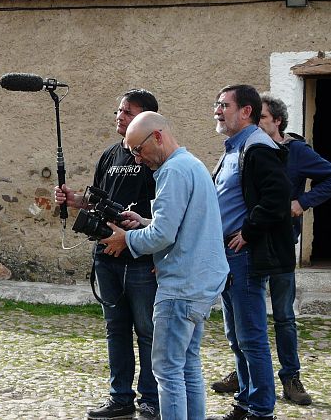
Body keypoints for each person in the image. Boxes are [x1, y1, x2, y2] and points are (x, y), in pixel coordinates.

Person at [210, 93, 331, 405]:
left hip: (272, 247)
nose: (258, 123)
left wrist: (301, 203)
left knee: (281, 316)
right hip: (241, 249)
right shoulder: (241, 148)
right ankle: (245, 384)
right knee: (241, 325)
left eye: (263, 118)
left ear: (275, 120)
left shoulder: (285, 151)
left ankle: (286, 381)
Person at [99, 112, 229, 420]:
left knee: (167, 371)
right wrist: (142, 222)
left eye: (138, 150)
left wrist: (126, 241)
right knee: (187, 366)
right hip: (201, 281)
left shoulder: (173, 171)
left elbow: (162, 235)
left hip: (181, 285)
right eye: (131, 152)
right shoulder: (193, 165)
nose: (137, 159)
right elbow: (181, 224)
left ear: (157, 136)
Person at [55, 89, 160, 420]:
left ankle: (152, 399)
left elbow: (165, 217)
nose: (120, 116)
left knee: (147, 331)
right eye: (118, 110)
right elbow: (98, 201)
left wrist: (156, 255)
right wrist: (75, 202)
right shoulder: (109, 156)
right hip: (106, 256)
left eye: (128, 112)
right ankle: (120, 398)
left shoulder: (156, 159)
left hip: (141, 260)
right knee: (116, 329)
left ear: (146, 118)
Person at [207, 85, 295, 420]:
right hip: (227, 254)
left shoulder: (257, 147)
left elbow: (277, 197)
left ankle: (261, 410)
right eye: (216, 104)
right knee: (236, 335)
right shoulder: (234, 147)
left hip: (243, 255)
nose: (217, 110)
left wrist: (248, 230)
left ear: (246, 111)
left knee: (251, 336)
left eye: (223, 105)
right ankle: (245, 401)